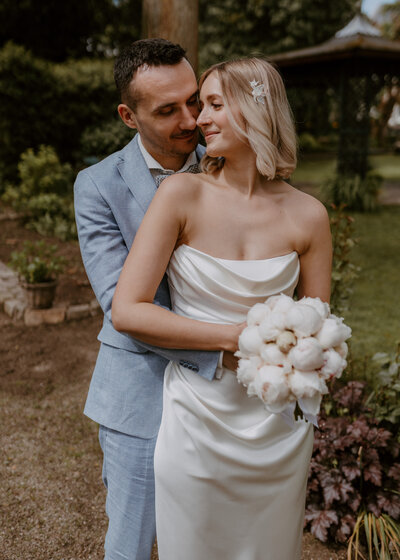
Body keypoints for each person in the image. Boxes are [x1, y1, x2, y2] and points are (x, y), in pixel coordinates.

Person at [112, 57, 332, 559]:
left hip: (278, 427)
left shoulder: (310, 216)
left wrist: (314, 362)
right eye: (198, 105)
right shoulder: (180, 195)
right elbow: (128, 309)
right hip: (198, 418)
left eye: (213, 104)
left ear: (258, 111)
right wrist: (235, 337)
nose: (198, 119)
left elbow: (319, 328)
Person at [74, 39, 226, 560]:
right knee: (132, 544)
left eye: (194, 100)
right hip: (140, 394)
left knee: (213, 538)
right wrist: (227, 349)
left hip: (227, 400)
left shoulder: (229, 163)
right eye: (167, 110)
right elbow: (122, 304)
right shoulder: (97, 187)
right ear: (128, 116)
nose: (191, 120)